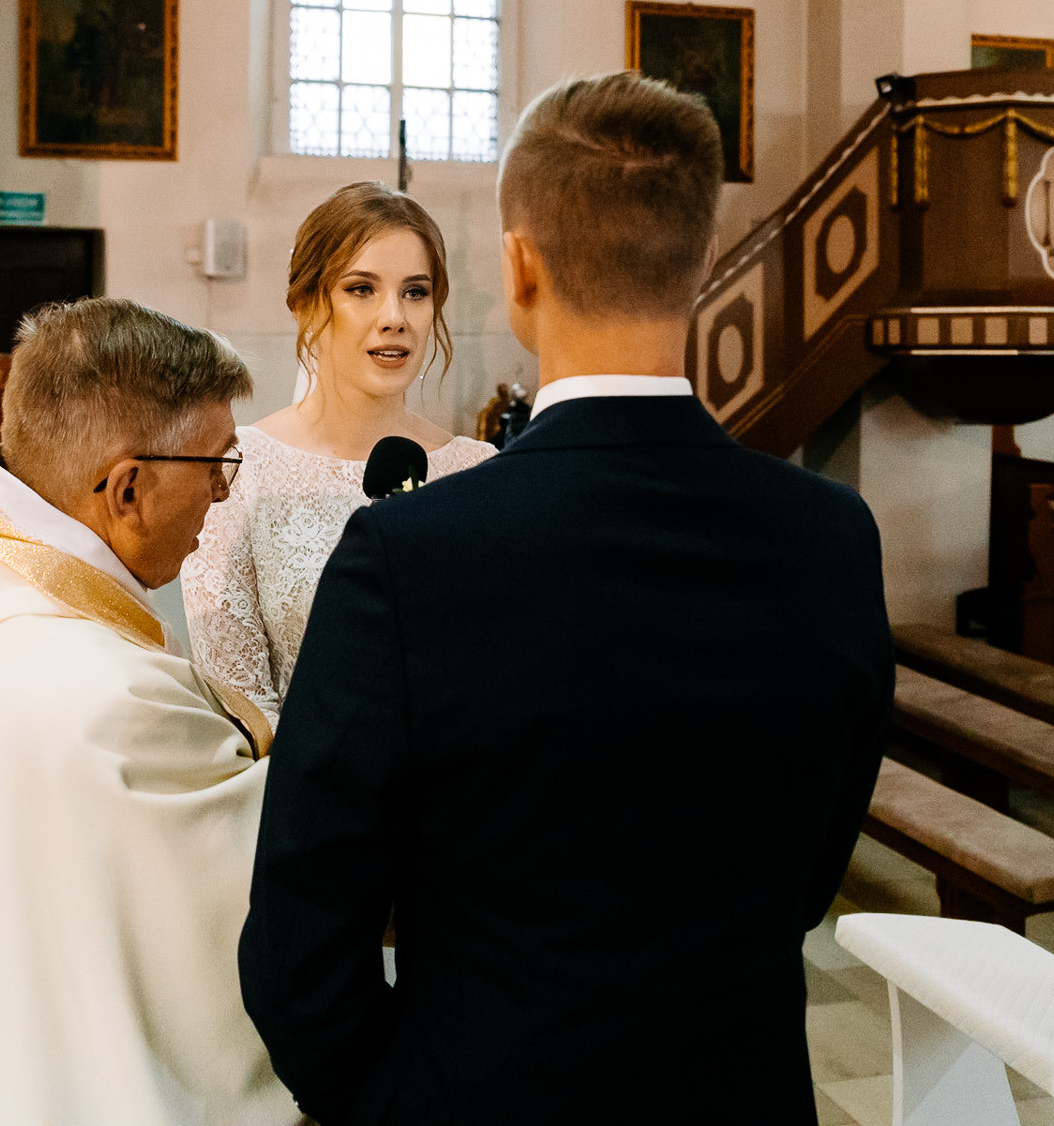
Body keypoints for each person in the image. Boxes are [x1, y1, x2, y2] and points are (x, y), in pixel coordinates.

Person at [239, 72, 894, 1125]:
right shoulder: (831, 537)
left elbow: (301, 934)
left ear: (519, 266)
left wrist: (393, 1098)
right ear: (706, 261)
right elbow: (813, 863)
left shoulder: (410, 555)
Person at [0, 298, 302, 1126]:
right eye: (216, 465)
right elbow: (257, 892)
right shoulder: (106, 701)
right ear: (127, 487)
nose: (222, 495)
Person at [182, 182, 493, 726]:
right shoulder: (240, 473)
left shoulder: (478, 471)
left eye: (415, 292)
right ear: (306, 306)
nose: (394, 317)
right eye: (361, 289)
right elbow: (241, 709)